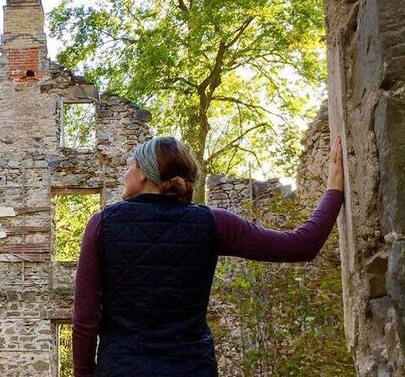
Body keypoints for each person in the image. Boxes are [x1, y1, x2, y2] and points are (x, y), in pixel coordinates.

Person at [72, 135, 345, 377]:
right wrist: (334, 190)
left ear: (143, 173)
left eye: (129, 165)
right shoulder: (212, 223)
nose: (124, 174)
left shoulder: (102, 225)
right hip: (192, 367)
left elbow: (85, 320)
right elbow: (301, 245)